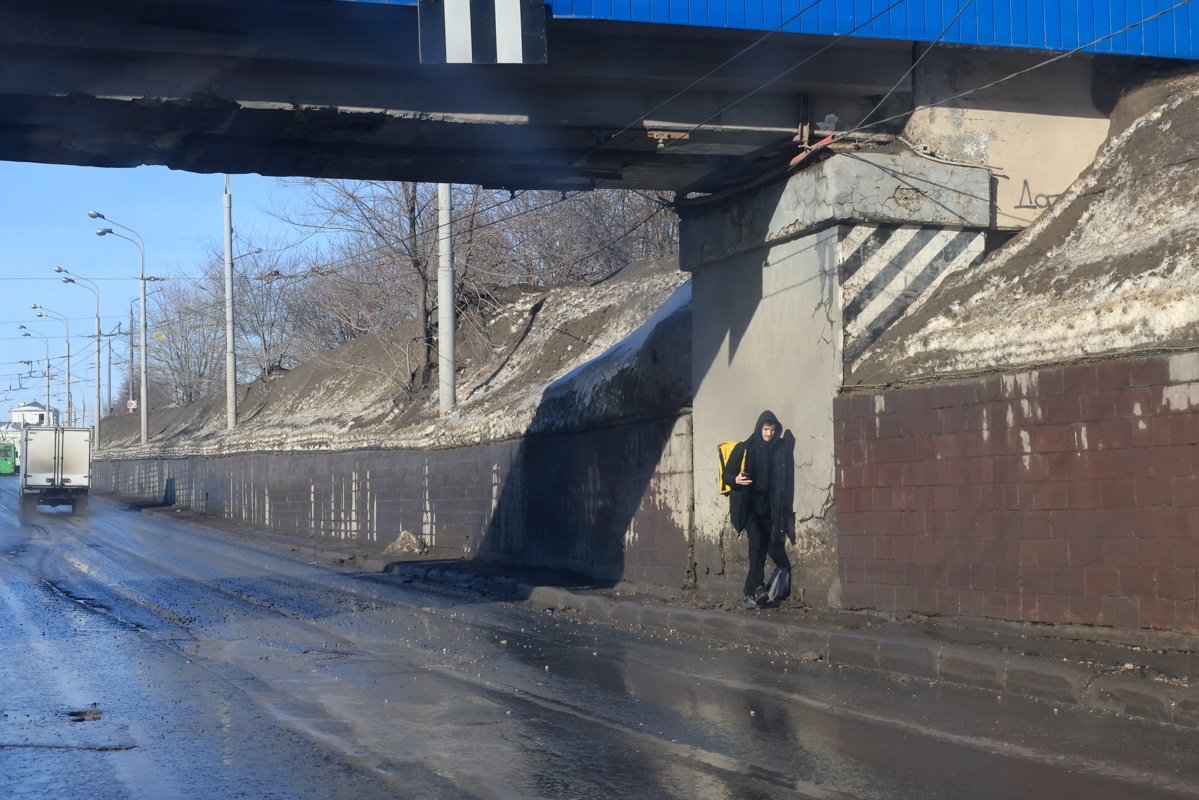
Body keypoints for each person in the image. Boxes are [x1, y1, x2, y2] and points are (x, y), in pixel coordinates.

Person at [722, 410, 792, 607]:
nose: (768, 434)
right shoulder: (745, 448)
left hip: (767, 506)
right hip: (749, 505)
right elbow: (726, 475)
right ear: (759, 428)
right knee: (757, 541)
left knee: (761, 549)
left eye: (772, 430)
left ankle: (749, 591)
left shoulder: (777, 450)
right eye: (765, 429)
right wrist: (735, 480)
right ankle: (758, 586)